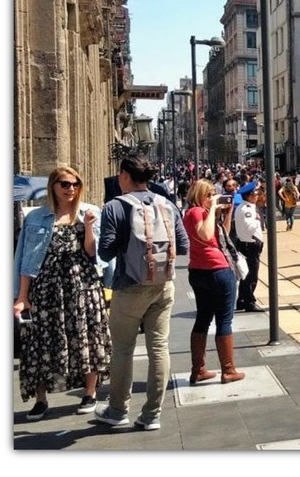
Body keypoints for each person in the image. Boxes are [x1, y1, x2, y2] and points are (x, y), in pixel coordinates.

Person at [94, 155, 189, 430]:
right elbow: (182, 246)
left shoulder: (114, 207)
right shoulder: (166, 204)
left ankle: (117, 410)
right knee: (159, 348)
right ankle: (152, 415)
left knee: (123, 349)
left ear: (124, 175)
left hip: (129, 286)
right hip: (163, 286)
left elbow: (105, 251)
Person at [14, 166, 110, 422]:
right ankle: (40, 399)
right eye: (65, 184)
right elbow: (25, 260)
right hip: (46, 288)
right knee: (40, 342)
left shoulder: (89, 212)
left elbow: (93, 253)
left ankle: (90, 393)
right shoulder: (36, 217)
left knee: (86, 337)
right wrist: (22, 296)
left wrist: (89, 227)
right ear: (53, 187)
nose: (71, 189)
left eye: (75, 184)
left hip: (82, 286)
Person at [182, 180, 245, 384]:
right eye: (209, 195)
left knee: (203, 317)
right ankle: (228, 369)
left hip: (199, 271)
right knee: (224, 320)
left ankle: (198, 369)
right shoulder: (196, 212)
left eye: (214, 194)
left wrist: (226, 212)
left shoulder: (199, 213)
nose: (212, 198)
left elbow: (221, 234)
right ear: (199, 195)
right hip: (216, 269)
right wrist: (211, 210)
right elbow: (206, 234)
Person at [234, 182, 265, 312]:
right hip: (250, 245)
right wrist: (257, 220)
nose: (258, 195)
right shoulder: (247, 209)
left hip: (247, 244)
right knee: (251, 276)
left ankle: (241, 299)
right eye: (256, 193)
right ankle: (249, 302)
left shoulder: (246, 206)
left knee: (246, 275)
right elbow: (249, 226)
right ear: (250, 195)